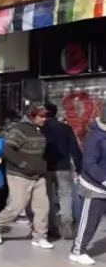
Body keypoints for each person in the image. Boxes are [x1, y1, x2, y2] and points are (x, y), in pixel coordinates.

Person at [0, 104, 52, 249]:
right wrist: (23, 165)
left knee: (42, 208)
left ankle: (40, 236)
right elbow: (8, 149)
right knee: (17, 205)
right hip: (20, 175)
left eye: (45, 115)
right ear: (31, 116)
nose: (44, 119)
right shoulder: (19, 130)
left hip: (39, 176)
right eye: (41, 116)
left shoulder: (40, 130)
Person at [70, 104, 106, 265]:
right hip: (95, 186)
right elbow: (89, 163)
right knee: (89, 220)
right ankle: (77, 251)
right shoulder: (95, 136)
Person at [43, 102, 83, 239]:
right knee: (65, 196)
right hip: (64, 167)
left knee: (47, 197)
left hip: (45, 167)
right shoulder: (66, 128)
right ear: (55, 113)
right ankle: (66, 224)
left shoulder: (40, 128)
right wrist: (79, 167)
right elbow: (75, 149)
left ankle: (51, 227)